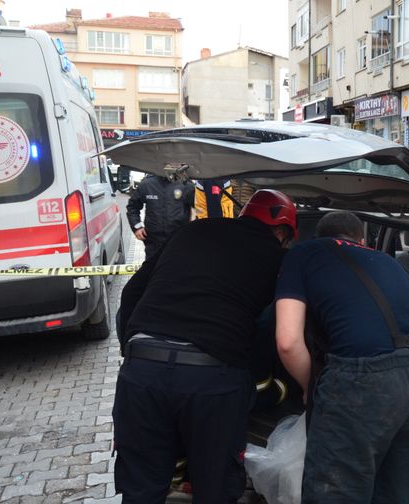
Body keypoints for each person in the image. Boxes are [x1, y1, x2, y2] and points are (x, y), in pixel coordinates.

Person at [113, 189, 297, 503]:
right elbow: (275, 327)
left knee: (140, 489)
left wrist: (131, 352)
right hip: (212, 379)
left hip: (141, 372)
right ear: (280, 231)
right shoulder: (278, 259)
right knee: (216, 490)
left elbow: (130, 295)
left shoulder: (191, 231)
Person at [275, 211, 409, 503]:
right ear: (362, 240)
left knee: (337, 492)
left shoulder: (304, 253)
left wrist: (309, 388)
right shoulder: (393, 263)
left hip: (363, 382)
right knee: (394, 492)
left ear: (319, 237)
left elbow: (288, 341)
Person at [127, 174, 195, 260]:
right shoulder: (147, 184)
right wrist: (137, 227)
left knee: (178, 270)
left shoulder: (185, 185)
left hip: (179, 240)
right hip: (153, 241)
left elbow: (200, 208)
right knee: (153, 270)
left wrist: (193, 231)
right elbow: (132, 207)